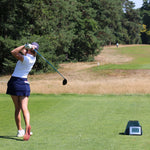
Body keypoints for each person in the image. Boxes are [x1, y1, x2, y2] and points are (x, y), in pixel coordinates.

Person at [6, 42, 39, 141]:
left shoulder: (26, 58)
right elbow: (23, 52)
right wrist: (27, 48)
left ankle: (20, 130)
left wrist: (24, 45)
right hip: (24, 83)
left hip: (15, 82)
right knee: (25, 108)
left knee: (17, 108)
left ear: (30, 50)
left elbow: (13, 51)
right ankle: (27, 126)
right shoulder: (32, 58)